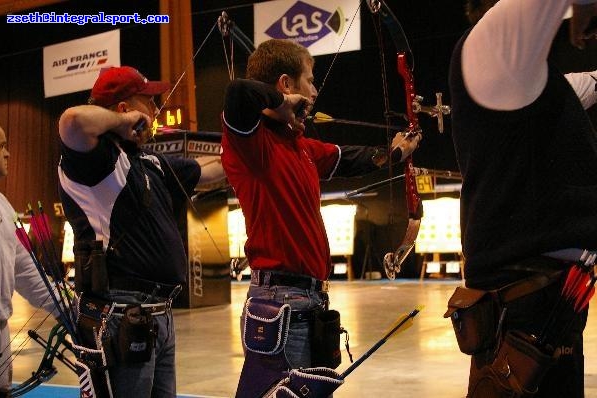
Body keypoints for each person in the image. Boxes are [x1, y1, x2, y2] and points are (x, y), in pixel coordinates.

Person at [221, 38, 421, 397]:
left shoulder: (301, 146)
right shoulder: (252, 144)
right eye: (309, 81)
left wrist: (394, 152)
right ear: (286, 84)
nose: (314, 91)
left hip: (309, 302)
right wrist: (283, 104)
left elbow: (351, 157)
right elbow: (238, 93)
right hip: (281, 304)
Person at [448, 0, 597, 397]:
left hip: (548, 302)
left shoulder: (531, 82)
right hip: (524, 306)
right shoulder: (490, 45)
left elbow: (591, 83)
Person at [57, 66, 225, 398]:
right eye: (149, 102)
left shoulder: (150, 161)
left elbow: (213, 171)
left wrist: (248, 142)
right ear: (125, 109)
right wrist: (124, 122)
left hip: (158, 314)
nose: (156, 111)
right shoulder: (97, 160)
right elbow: (72, 122)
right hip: (119, 313)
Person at [0, 124, 60, 397]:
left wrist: (70, 304)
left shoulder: (3, 205)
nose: (8, 153)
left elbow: (27, 273)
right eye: (1, 146)